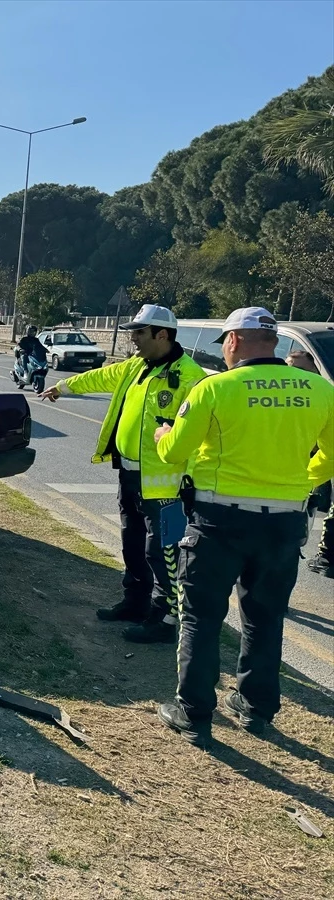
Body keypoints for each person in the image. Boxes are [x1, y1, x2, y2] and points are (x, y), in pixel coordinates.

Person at [152, 308, 334, 746]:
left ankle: (193, 712)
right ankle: (256, 709)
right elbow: (330, 458)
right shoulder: (322, 390)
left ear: (232, 341)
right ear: (274, 342)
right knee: (266, 617)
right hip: (286, 520)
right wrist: (296, 482)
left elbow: (174, 454)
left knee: (200, 616)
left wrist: (162, 436)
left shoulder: (215, 387)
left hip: (220, 519)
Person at [40, 305, 207, 643]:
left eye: (139, 333)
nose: (132, 339)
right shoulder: (136, 367)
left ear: (162, 334)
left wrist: (190, 481)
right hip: (130, 475)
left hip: (169, 487)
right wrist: (64, 387)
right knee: (133, 544)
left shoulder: (191, 377)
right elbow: (99, 377)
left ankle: (165, 620)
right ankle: (135, 603)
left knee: (165, 553)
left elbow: (202, 436)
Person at [285, 349, 334, 576]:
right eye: (290, 369)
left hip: (300, 483)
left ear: (315, 371)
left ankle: (326, 557)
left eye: (302, 370)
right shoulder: (279, 401)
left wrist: (307, 478)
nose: (295, 375)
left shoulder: (323, 396)